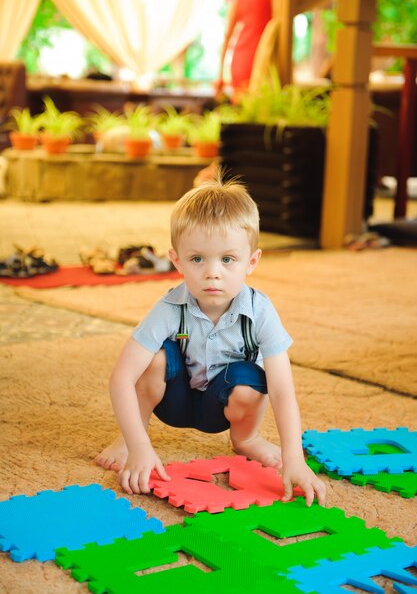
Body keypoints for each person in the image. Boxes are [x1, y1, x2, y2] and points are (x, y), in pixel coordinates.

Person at [95, 175, 326, 507]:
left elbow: (281, 389)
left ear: (252, 261)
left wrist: (295, 459)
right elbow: (121, 378)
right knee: (155, 358)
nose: (212, 273)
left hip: (220, 406)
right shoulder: (170, 307)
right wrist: (138, 446)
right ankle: (133, 437)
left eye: (227, 259)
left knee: (251, 379)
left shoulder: (260, 311)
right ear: (177, 260)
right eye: (197, 259)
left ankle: (246, 439)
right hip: (175, 400)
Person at [215, 0, 279, 102]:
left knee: (243, 111)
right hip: (264, 54)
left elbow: (228, 33)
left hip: (241, 58)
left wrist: (220, 73)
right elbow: (279, 21)